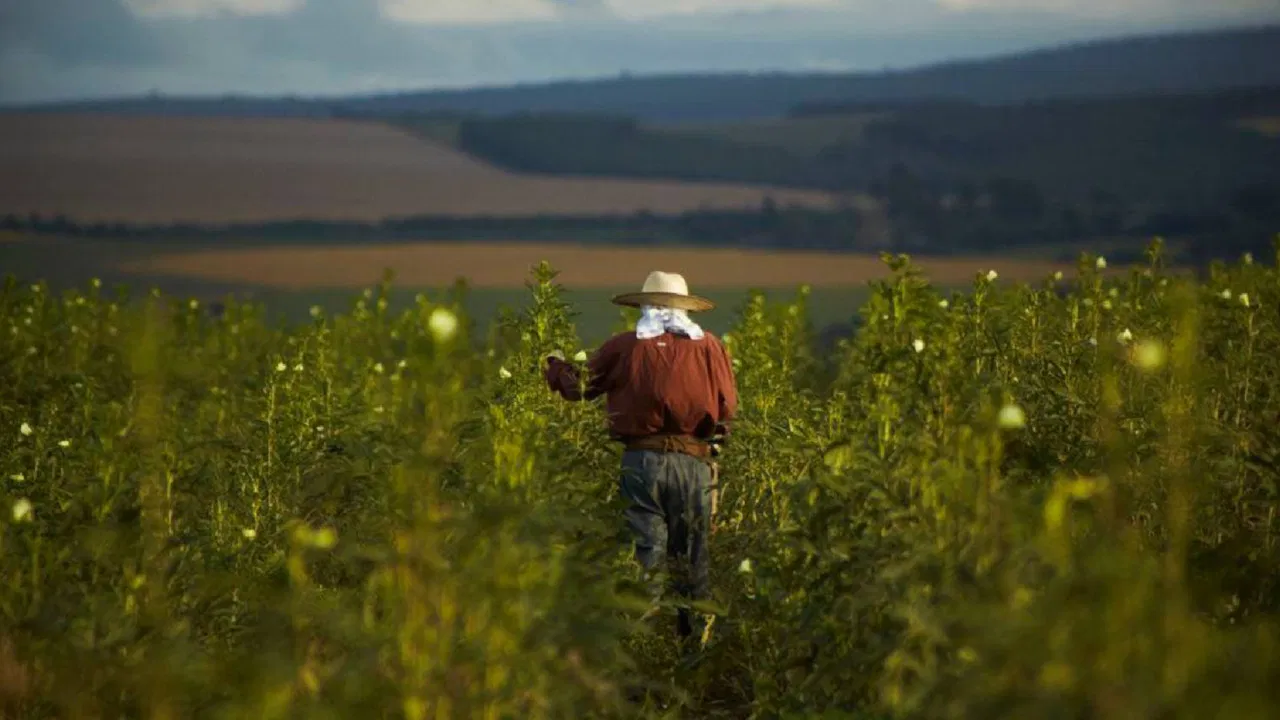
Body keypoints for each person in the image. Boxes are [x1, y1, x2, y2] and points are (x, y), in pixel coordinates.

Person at [544, 270, 738, 645]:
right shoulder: (709, 347)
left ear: (646, 306)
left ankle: (641, 642)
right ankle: (692, 645)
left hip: (642, 460)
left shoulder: (626, 346)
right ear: (685, 308)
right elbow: (727, 405)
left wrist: (554, 364)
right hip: (693, 461)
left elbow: (578, 385)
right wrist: (715, 442)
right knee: (692, 556)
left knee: (647, 552)